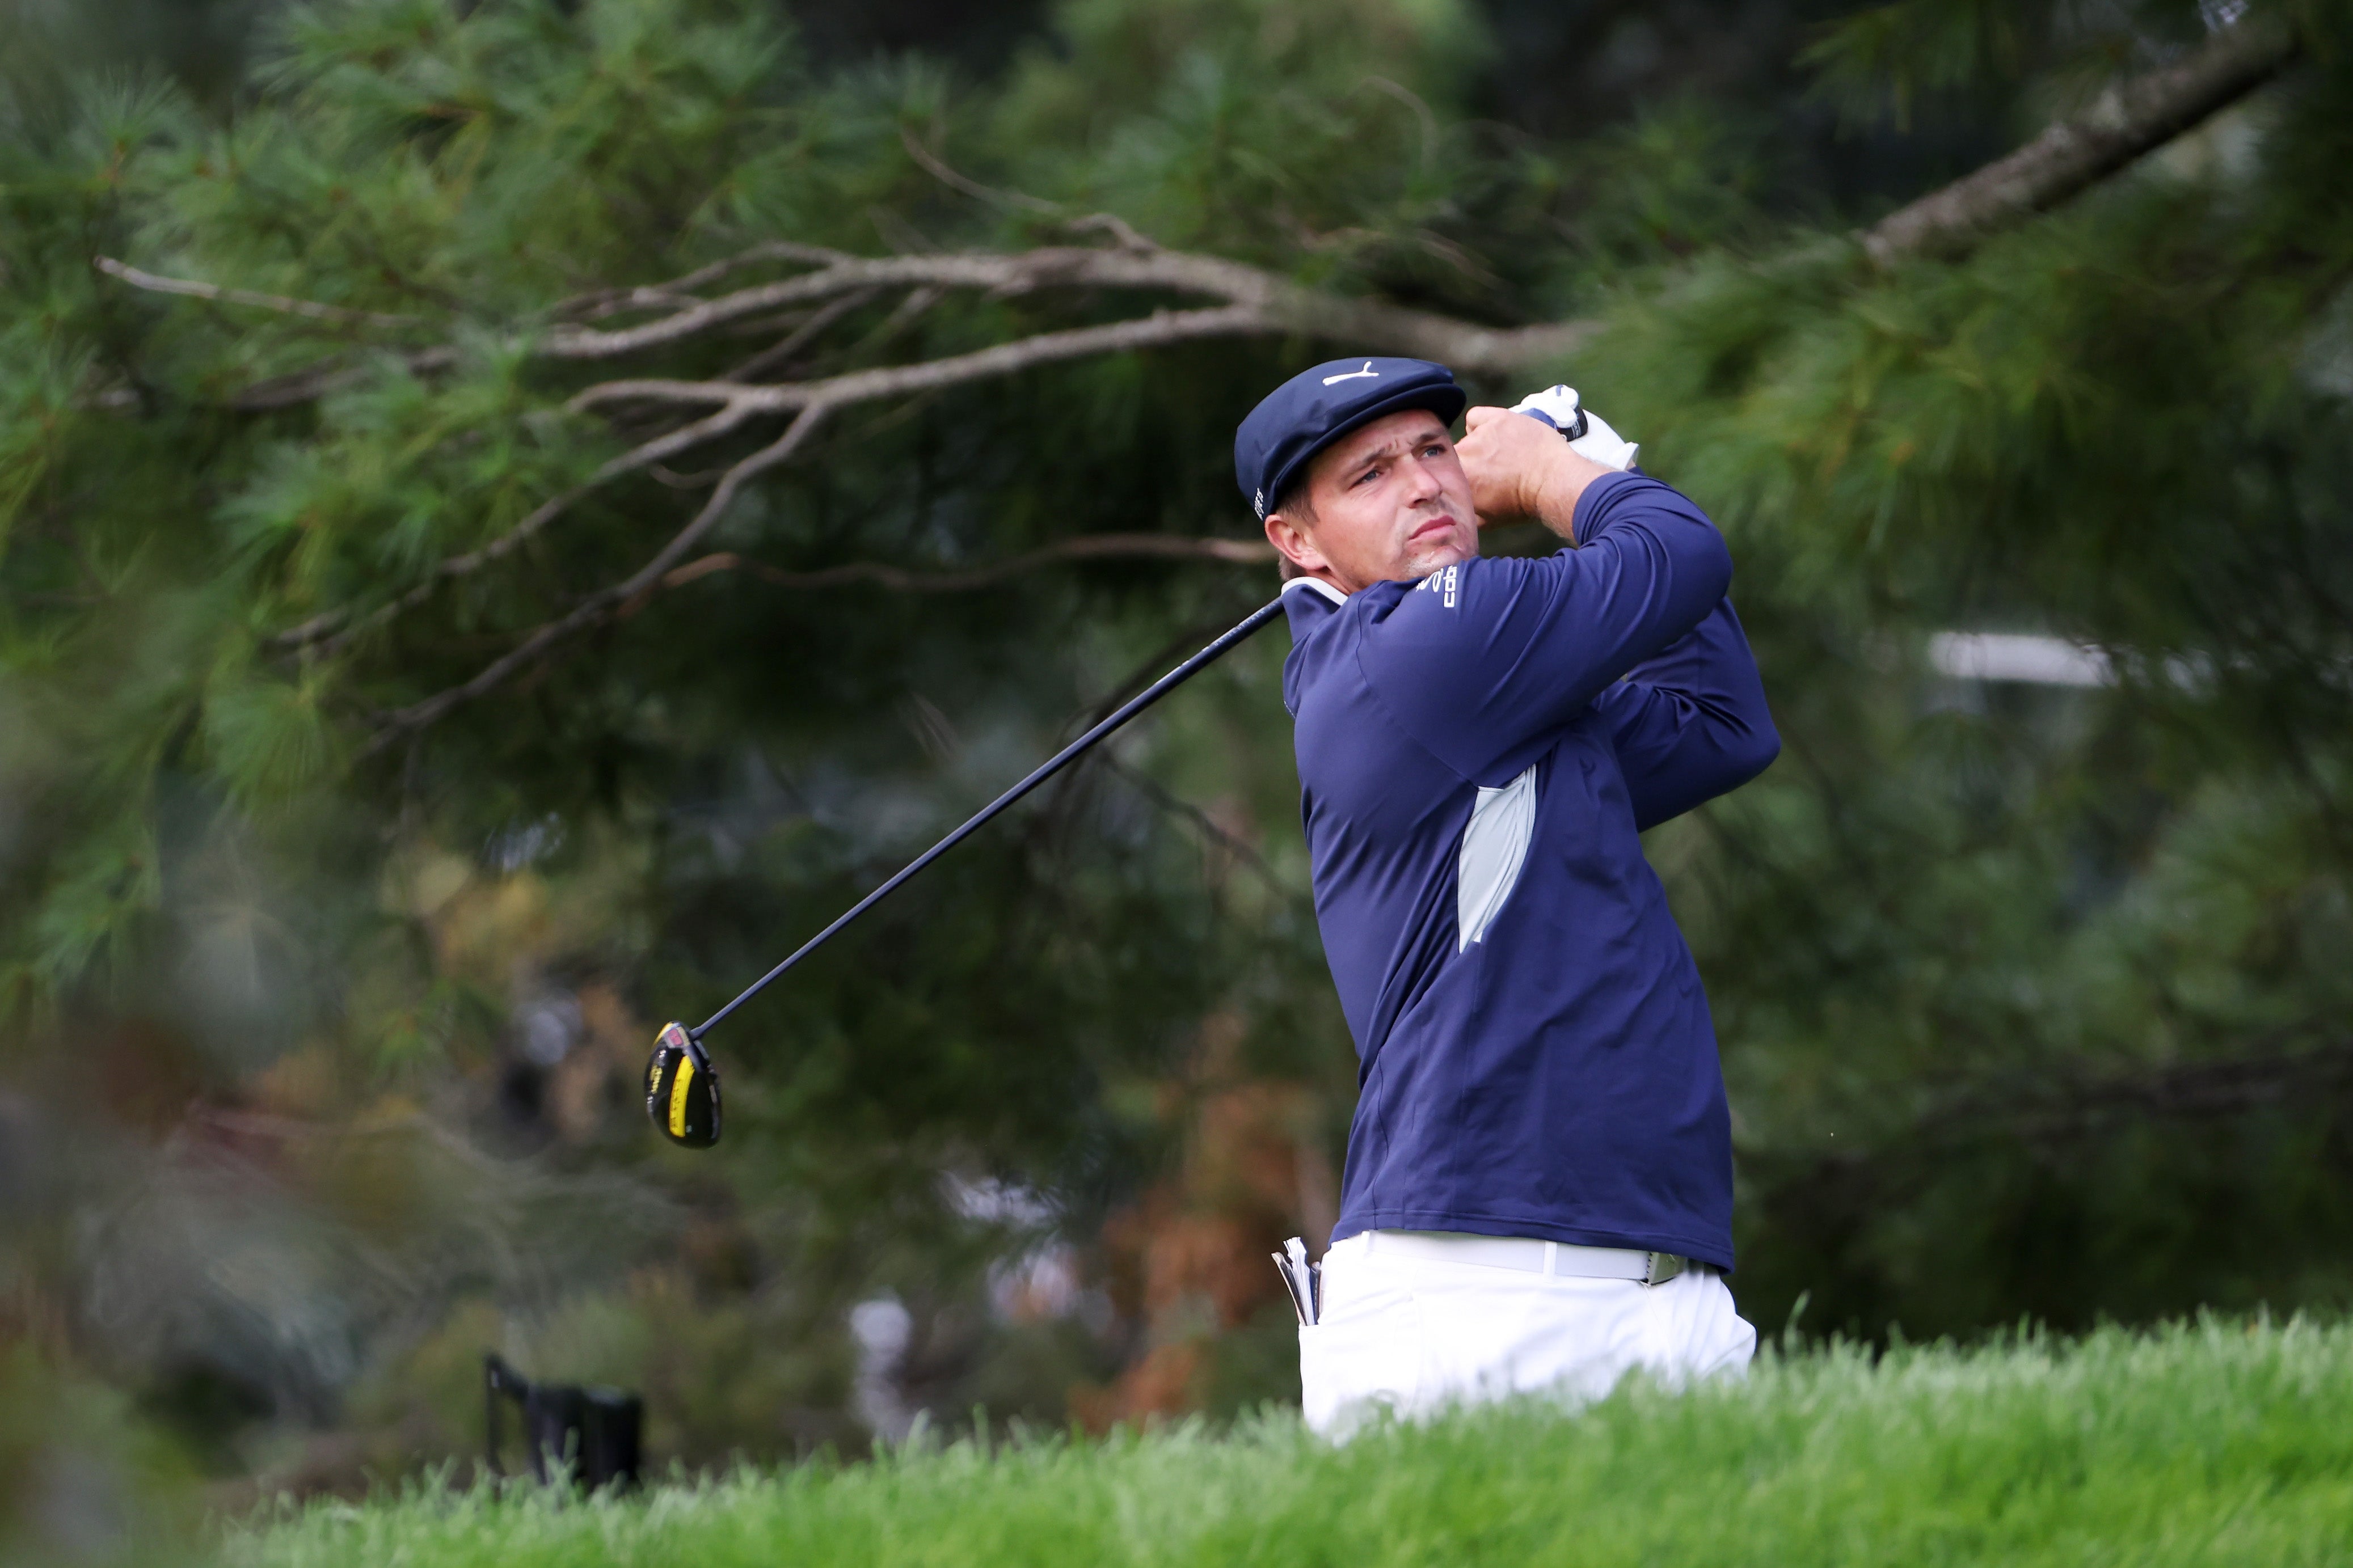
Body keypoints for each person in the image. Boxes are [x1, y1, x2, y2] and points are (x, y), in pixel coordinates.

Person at [1233, 356, 1779, 1437]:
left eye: (1438, 450)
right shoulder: (1417, 650)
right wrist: (1551, 473)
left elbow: (1724, 723)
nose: (1426, 484)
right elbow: (1682, 553)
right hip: (1481, 1283)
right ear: (1298, 543)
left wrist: (1598, 468)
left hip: (1647, 1271)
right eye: (1371, 474)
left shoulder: (1501, 699)